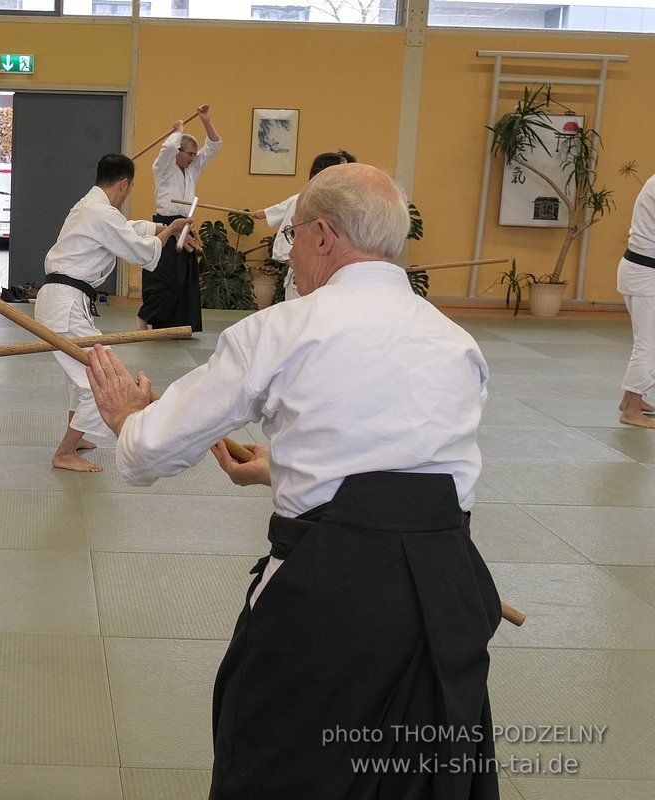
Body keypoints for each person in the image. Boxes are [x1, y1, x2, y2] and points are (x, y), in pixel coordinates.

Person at [88, 163, 502, 799]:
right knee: (415, 780)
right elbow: (399, 459)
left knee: (279, 767)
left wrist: (128, 417)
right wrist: (279, 469)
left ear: (324, 237)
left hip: (330, 596)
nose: (289, 254)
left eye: (293, 235)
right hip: (447, 597)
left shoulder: (280, 331)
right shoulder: (457, 342)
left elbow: (152, 453)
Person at [36, 153, 192, 473]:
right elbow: (141, 250)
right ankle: (64, 452)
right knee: (103, 376)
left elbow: (129, 228)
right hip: (64, 304)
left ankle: (76, 439)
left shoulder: (88, 207)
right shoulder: (101, 214)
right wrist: (169, 231)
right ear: (124, 184)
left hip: (62, 300)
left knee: (83, 374)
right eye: (130, 188)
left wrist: (167, 226)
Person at [137, 104, 221, 332]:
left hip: (184, 227)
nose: (194, 158)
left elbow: (213, 146)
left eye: (195, 154)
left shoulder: (192, 169)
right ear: (179, 151)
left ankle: (177, 325)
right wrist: (179, 130)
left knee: (184, 281)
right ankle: (144, 319)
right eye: (189, 154)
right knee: (165, 279)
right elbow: (167, 150)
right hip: (164, 226)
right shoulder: (163, 169)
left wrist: (206, 121)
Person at [254, 149, 356, 301]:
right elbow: (282, 247)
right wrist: (305, 272)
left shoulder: (341, 206)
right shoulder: (301, 202)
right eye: (341, 172)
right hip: (303, 285)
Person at [617, 171, 655, 429]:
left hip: (641, 270)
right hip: (645, 273)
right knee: (648, 346)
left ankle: (633, 399)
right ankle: (631, 408)